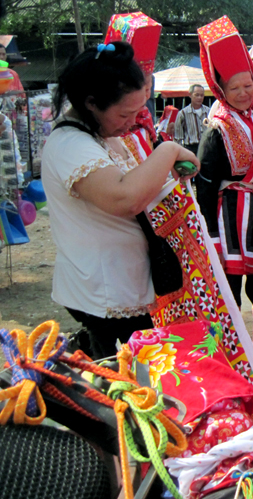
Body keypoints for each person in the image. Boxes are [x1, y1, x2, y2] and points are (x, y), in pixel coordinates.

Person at [41, 41, 200, 358]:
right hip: (102, 294)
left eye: (139, 111)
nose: (133, 122)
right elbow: (125, 198)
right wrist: (168, 151)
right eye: (125, 113)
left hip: (121, 287)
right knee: (125, 381)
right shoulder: (70, 145)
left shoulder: (100, 137)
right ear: (91, 104)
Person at [194, 16, 253, 369]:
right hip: (227, 217)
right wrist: (207, 230)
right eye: (236, 88)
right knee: (226, 291)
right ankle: (221, 360)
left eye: (248, 85)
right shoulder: (217, 128)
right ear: (221, 91)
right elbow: (205, 182)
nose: (244, 93)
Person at [174, 84, 210, 155]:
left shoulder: (209, 112)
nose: (199, 98)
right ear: (190, 95)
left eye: (201, 95)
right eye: (196, 95)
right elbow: (178, 137)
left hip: (207, 147)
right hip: (190, 148)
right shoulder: (183, 113)